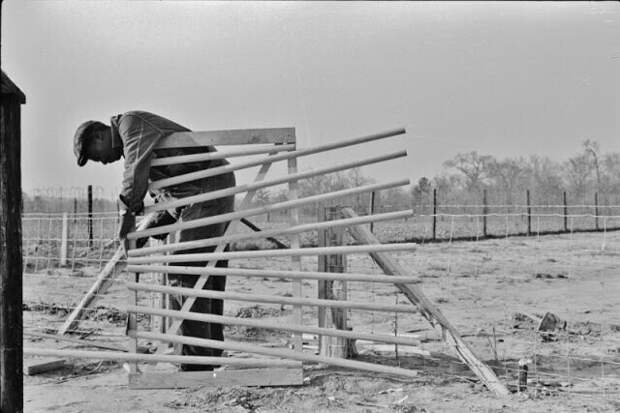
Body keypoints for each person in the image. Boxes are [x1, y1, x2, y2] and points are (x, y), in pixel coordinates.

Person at [73, 110, 236, 371]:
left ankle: (195, 360)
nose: (101, 162)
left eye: (95, 155)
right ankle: (208, 353)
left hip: (208, 186)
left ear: (99, 135)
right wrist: (147, 232)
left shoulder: (131, 126)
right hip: (198, 189)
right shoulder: (140, 144)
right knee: (206, 270)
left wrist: (125, 219)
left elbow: (134, 172)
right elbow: (169, 194)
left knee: (184, 267)